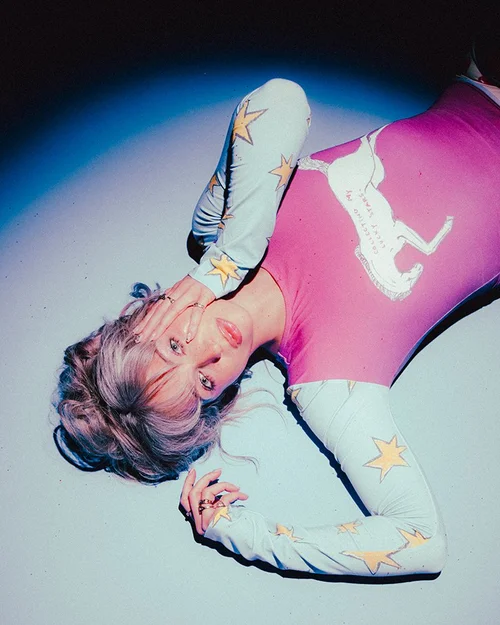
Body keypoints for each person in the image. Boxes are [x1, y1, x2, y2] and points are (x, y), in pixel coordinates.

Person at [54, 52, 500, 577]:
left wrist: (225, 262)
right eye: (202, 385)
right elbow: (422, 540)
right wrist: (243, 533)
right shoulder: (328, 381)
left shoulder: (218, 234)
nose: (211, 354)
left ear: (151, 314)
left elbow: (281, 101)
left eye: (174, 346)